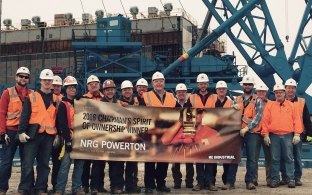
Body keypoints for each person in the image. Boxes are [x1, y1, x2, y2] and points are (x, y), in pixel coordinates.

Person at [17, 69, 59, 195]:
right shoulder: (32, 97)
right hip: (33, 135)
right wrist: (21, 132)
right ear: (40, 81)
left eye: (49, 80)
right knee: (27, 163)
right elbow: (25, 116)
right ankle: (24, 188)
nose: (47, 82)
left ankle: (41, 188)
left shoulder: (57, 99)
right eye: (45, 80)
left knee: (44, 165)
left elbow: (57, 118)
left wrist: (57, 135)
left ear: (52, 82)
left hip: (48, 137)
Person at [262, 83, 303, 188]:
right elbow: (265, 121)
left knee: (289, 158)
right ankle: (275, 179)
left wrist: (297, 134)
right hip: (274, 136)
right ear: (274, 94)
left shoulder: (292, 106)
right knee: (275, 159)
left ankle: (290, 179)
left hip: (288, 135)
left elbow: (297, 120)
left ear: (284, 93)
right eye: (276, 93)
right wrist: (265, 135)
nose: (278, 94)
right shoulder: (270, 105)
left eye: (280, 92)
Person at [141, 71, 176, 193]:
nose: (159, 83)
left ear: (164, 82)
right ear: (152, 83)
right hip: (151, 134)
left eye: (161, 81)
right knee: (150, 160)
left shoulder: (172, 96)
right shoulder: (146, 96)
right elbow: (138, 113)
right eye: (156, 81)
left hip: (166, 133)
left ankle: (161, 184)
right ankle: (149, 186)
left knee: (163, 160)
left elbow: (178, 113)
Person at [0, 67, 32, 195]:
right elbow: (1, 113)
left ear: (29, 79)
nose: (23, 78)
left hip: (26, 132)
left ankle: (25, 188)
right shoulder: (7, 92)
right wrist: (2, 132)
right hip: (11, 131)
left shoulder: (32, 94)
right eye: (21, 76)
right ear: (16, 77)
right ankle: (2, 188)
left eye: (26, 77)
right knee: (6, 162)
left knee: (27, 162)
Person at [54, 76, 85, 195]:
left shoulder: (81, 102)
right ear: (65, 89)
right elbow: (62, 124)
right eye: (70, 87)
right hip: (70, 137)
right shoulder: (63, 104)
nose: (72, 89)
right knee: (65, 165)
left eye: (74, 87)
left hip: (81, 137)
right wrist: (67, 141)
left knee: (79, 165)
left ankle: (76, 188)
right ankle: (59, 189)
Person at [205, 81, 237, 191]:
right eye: (219, 89)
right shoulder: (210, 102)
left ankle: (227, 182)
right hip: (212, 134)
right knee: (211, 159)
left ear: (226, 90)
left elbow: (234, 118)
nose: (221, 90)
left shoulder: (232, 103)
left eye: (223, 89)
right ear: (216, 91)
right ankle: (211, 182)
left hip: (226, 135)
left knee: (227, 159)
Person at [280, 78, 312, 186]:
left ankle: (297, 178)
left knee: (297, 156)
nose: (290, 90)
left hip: (298, 134)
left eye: (293, 88)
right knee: (284, 156)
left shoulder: (301, 102)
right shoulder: (280, 101)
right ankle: (285, 177)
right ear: (285, 89)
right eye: (288, 88)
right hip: (284, 133)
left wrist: (309, 135)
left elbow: (307, 120)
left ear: (295, 89)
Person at [236, 75, 264, 190]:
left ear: (253, 86)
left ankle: (250, 181)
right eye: (246, 84)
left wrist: (247, 128)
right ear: (243, 85)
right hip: (238, 132)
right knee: (234, 156)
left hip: (251, 133)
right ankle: (230, 181)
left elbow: (258, 116)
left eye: (250, 85)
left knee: (252, 158)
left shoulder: (258, 100)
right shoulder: (237, 99)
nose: (247, 86)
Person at [188, 73, 215, 191]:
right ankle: (199, 182)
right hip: (197, 131)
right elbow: (186, 113)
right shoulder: (192, 97)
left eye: (204, 83)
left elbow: (223, 111)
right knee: (199, 158)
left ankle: (210, 183)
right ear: (198, 84)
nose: (203, 85)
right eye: (201, 83)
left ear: (207, 84)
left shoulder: (214, 97)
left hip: (209, 131)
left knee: (209, 158)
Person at [81, 75, 105, 195]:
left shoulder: (105, 98)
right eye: (91, 84)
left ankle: (97, 185)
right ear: (87, 86)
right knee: (86, 162)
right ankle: (84, 185)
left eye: (96, 83)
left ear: (99, 85)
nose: (94, 85)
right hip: (88, 135)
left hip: (102, 134)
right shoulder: (83, 99)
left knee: (100, 162)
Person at [117, 80, 141, 194]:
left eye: (129, 89)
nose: (127, 91)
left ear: (132, 90)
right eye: (125, 89)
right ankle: (120, 186)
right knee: (120, 164)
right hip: (121, 137)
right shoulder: (117, 102)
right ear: (122, 91)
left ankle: (131, 186)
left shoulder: (138, 101)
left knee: (132, 163)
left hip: (134, 136)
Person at [170, 83, 194, 189]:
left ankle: (189, 181)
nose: (181, 94)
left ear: (186, 93)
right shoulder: (172, 106)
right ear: (176, 93)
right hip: (176, 136)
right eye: (179, 92)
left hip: (188, 135)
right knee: (175, 161)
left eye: (183, 92)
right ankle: (177, 181)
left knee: (189, 160)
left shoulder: (191, 106)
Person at [253, 84, 272, 187]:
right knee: (254, 158)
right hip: (255, 133)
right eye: (259, 91)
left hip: (267, 134)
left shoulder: (272, 104)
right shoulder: (252, 103)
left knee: (269, 158)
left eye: (263, 91)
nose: (261, 93)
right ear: (256, 92)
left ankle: (269, 180)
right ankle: (253, 179)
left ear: (266, 92)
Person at [50, 75, 64, 193]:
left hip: (58, 134)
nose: (56, 87)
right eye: (54, 85)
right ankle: (41, 186)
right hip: (45, 134)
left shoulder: (64, 99)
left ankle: (55, 185)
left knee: (57, 162)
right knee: (42, 163)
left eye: (58, 86)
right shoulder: (46, 97)